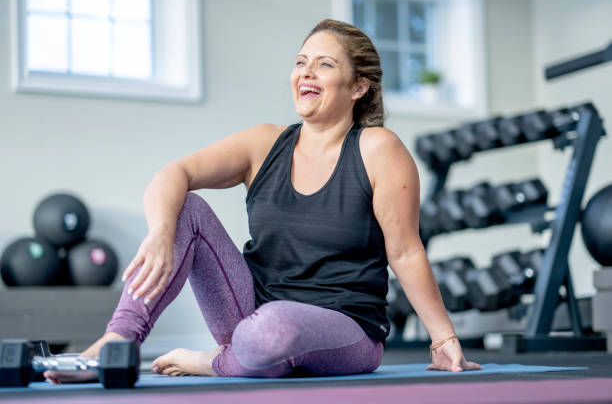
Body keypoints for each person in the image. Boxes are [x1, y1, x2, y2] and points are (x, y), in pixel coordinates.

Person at [45, 19, 480, 383]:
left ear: (358, 87)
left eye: (324, 65)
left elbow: (404, 250)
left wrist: (443, 340)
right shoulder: (264, 143)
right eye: (300, 63)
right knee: (187, 207)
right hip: (252, 315)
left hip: (345, 331)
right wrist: (161, 234)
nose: (306, 73)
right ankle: (116, 345)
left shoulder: (378, 148)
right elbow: (172, 174)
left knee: (274, 329)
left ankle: (216, 362)